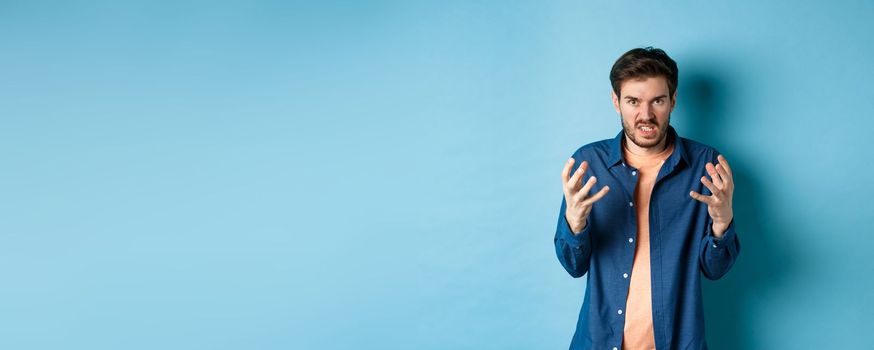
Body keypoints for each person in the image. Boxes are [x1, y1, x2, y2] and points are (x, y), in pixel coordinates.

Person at [554, 47, 741, 350]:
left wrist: (722, 222)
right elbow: (574, 266)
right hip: (599, 342)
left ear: (673, 101)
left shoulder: (706, 166)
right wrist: (575, 223)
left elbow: (715, 270)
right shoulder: (589, 165)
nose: (646, 115)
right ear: (616, 102)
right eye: (633, 101)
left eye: (657, 101)